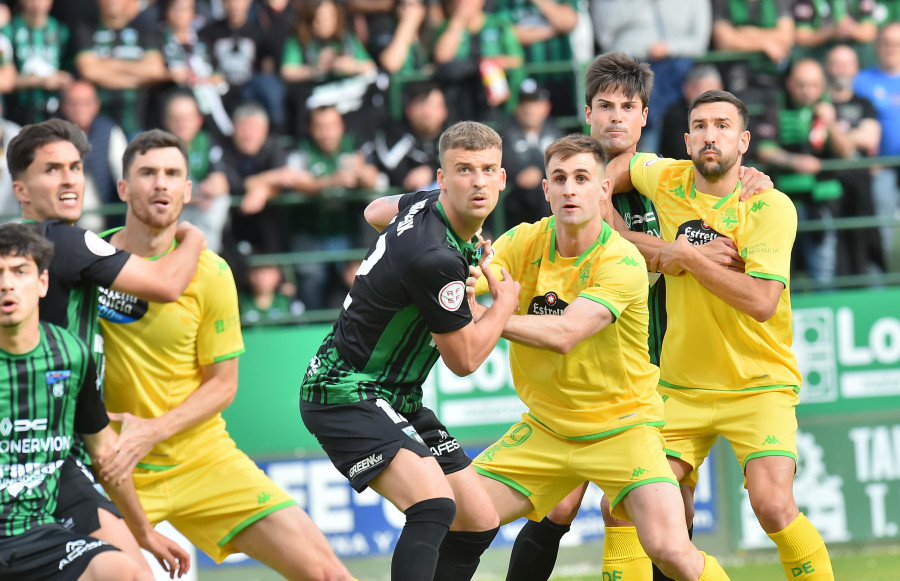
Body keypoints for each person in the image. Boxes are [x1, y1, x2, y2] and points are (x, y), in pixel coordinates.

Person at [504, 51, 769, 581]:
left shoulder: (672, 181)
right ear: (587, 113)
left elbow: (719, 185)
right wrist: (675, 254)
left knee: (669, 515)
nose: (616, 117)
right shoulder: (573, 188)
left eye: (628, 106)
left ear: (646, 116)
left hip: (665, 372)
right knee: (557, 505)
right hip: (588, 371)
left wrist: (750, 175)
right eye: (605, 106)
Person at [469, 133, 732, 581]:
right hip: (546, 430)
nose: (570, 188)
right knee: (450, 515)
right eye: (559, 178)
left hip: (623, 428)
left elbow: (567, 332)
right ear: (546, 190)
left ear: (603, 189)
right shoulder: (521, 243)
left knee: (671, 550)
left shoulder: (623, 259)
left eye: (582, 178)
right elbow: (462, 283)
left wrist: (490, 318)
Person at [95, 129, 354, 580]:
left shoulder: (212, 272)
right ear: (123, 188)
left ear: (188, 191)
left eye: (173, 174)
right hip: (113, 465)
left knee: (326, 572)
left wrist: (150, 431)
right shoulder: (90, 260)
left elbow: (223, 385)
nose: (161, 184)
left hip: (203, 459)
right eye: (148, 173)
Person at [605, 89, 835, 581]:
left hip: (759, 384)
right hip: (681, 388)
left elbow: (760, 301)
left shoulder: (770, 206)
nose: (712, 135)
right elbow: (616, 170)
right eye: (702, 126)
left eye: (723, 126)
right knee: (628, 506)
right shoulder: (666, 177)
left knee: (773, 506)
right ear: (687, 141)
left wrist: (685, 257)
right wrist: (611, 218)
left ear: (744, 140)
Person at [300, 121, 521, 581]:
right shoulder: (435, 259)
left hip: (395, 394)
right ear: (442, 178)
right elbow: (463, 362)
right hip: (343, 390)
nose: (478, 181)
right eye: (463, 170)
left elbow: (375, 209)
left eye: (487, 170)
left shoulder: (427, 205)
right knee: (434, 504)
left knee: (478, 521)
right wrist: (504, 305)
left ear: (503, 178)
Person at [8, 117, 207, 573]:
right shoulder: (65, 241)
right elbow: (167, 282)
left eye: (76, 167)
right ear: (21, 190)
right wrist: (193, 235)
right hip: (35, 458)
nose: (69, 180)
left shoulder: (27, 249)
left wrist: (141, 530)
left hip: (65, 451)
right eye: (52, 170)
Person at [0, 222, 189, 581]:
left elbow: (104, 452)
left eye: (20, 271)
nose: (7, 284)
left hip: (39, 532)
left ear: (41, 283)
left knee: (130, 575)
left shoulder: (71, 355)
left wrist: (144, 532)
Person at [72, 0, 168, 137]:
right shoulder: (86, 30)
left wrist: (108, 64)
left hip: (136, 122)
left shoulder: (144, 31)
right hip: (96, 125)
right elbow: (89, 71)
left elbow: (155, 70)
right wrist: (138, 77)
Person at [853, 21, 900, 269]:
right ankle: (887, 282)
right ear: (877, 46)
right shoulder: (862, 80)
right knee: (883, 230)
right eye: (887, 43)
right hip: (881, 168)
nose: (892, 48)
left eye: (897, 43)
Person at [60, 80, 128, 233]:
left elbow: (124, 176)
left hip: (108, 224)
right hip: (67, 226)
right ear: (64, 106)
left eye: (86, 103)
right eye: (74, 103)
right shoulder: (55, 135)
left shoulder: (109, 131)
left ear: (96, 105)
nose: (80, 109)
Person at [497, 77, 564, 228]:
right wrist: (519, 174)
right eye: (524, 103)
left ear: (546, 107)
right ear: (517, 107)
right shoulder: (505, 134)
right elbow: (503, 162)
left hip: (546, 200)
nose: (528, 109)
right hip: (515, 202)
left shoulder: (556, 133)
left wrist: (539, 171)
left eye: (534, 103)